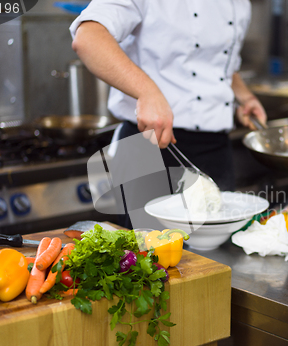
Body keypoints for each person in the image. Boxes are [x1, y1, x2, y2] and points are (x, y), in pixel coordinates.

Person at [69, 0, 267, 228]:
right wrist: (147, 92)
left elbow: (218, 63)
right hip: (148, 147)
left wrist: (244, 96)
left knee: (216, 257)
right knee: (150, 256)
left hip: (215, 150)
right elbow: (88, 38)